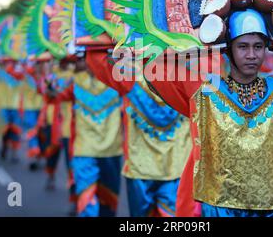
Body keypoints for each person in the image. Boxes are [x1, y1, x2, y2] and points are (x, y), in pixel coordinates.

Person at [145, 8, 273, 217]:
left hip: (271, 208)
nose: (252, 55)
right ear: (228, 49)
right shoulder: (204, 91)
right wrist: (199, 35)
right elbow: (153, 65)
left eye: (259, 47)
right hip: (220, 208)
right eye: (243, 47)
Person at [86, 49, 192, 217]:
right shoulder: (189, 74)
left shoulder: (129, 76)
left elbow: (96, 59)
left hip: (140, 168)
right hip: (177, 167)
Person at [55, 56, 124, 217]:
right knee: (86, 201)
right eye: (89, 56)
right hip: (84, 149)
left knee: (109, 203)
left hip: (111, 150)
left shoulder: (119, 78)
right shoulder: (74, 81)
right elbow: (53, 94)